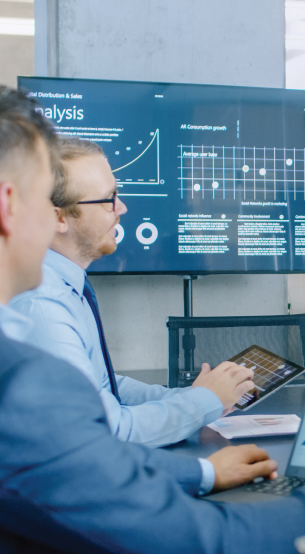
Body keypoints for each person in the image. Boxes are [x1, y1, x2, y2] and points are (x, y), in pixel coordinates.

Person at [0, 86, 305, 553]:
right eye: (46, 195)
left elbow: (82, 463)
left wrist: (203, 469)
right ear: (12, 206)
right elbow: (196, 539)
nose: (122, 209)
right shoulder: (23, 381)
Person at [11, 137, 253, 448]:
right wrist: (204, 402)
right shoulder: (43, 308)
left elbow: (105, 388)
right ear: (58, 217)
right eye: (108, 198)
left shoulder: (65, 287)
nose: (122, 207)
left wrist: (196, 396)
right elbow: (108, 432)